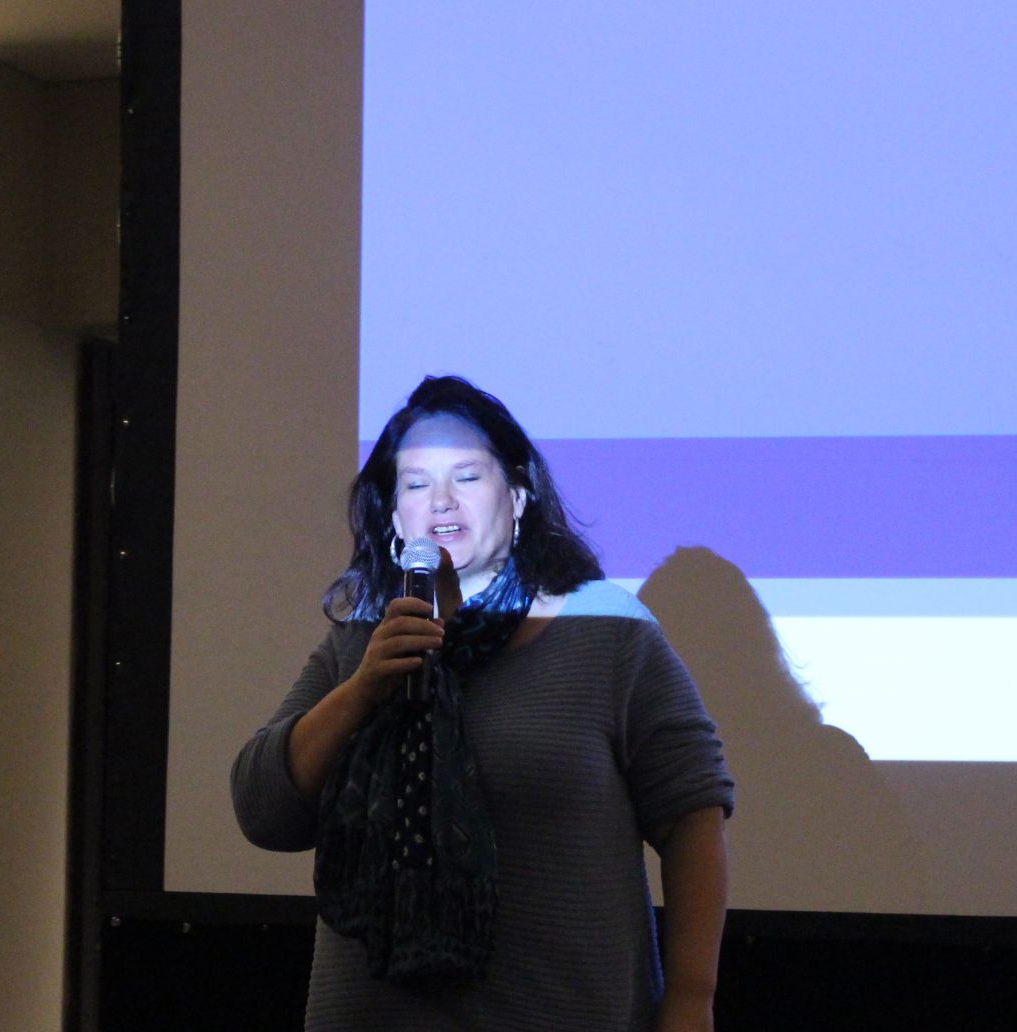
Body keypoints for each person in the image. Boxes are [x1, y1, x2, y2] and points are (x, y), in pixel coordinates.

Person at [231, 376, 734, 1031]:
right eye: (416, 484)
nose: (441, 500)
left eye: (466, 477)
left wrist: (691, 1001)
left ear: (518, 496)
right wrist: (362, 691)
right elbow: (264, 811)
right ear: (394, 517)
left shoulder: (608, 631)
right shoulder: (363, 640)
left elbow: (692, 820)